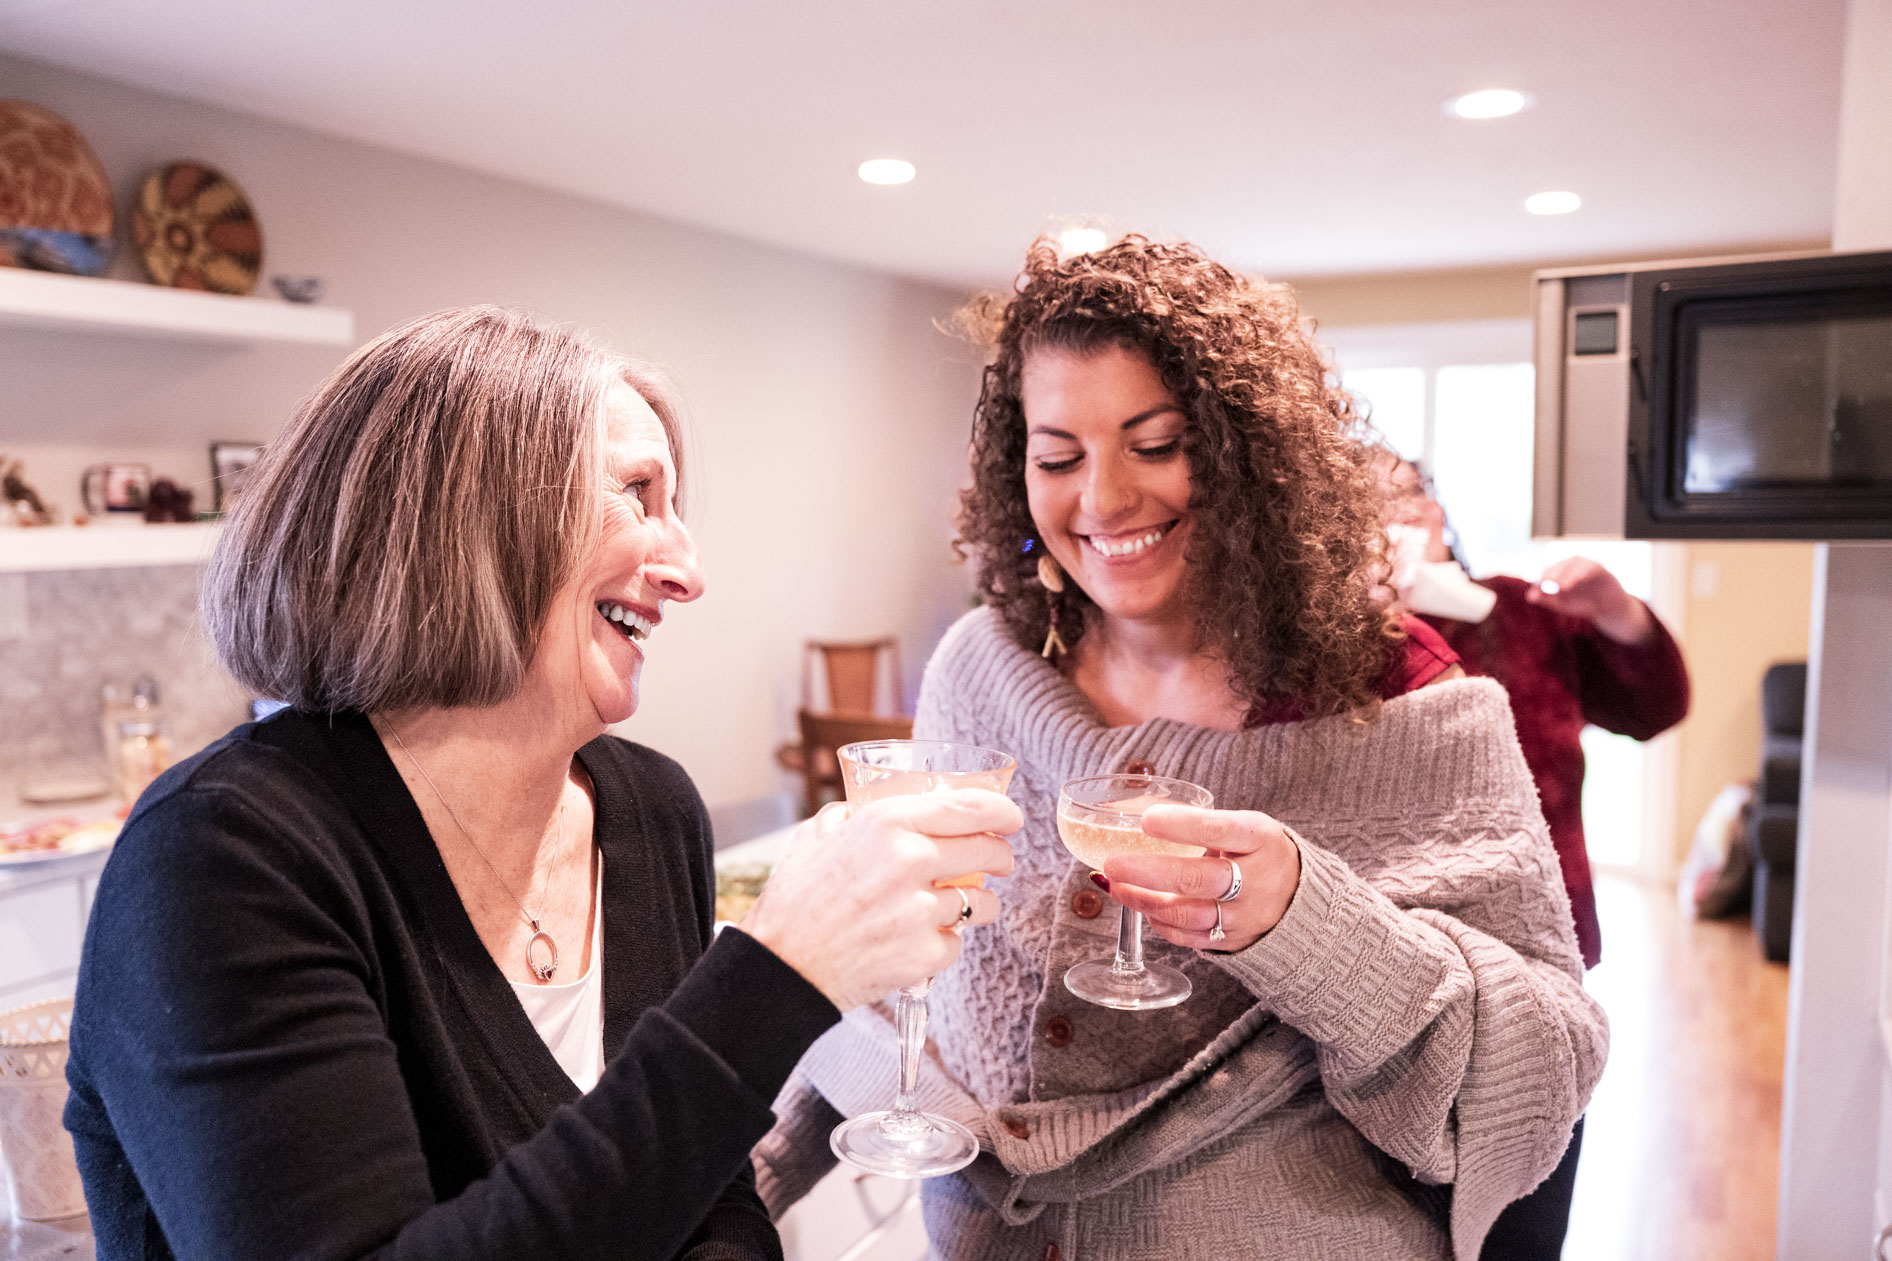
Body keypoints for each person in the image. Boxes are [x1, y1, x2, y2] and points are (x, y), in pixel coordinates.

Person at [63, 306, 1020, 1261]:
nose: (689, 570)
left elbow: (709, 1198)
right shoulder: (224, 858)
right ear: (466, 521)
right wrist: (776, 978)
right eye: (638, 495)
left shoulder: (649, 810)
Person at [753, 237, 1608, 1260]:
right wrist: (736, 1170)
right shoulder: (980, 668)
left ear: (1244, 454)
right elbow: (909, 985)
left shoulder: (1398, 694)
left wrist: (1305, 919)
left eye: (1154, 445)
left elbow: (1549, 1059)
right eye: (1057, 456)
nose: (1102, 501)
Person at [1377, 450, 1690, 1258]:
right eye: (1360, 504)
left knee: (1528, 1200)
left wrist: (1620, 612)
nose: (1391, 518)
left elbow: (1653, 706)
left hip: (1541, 952)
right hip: (1391, 968)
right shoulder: (1328, 636)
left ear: (1437, 513)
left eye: (1404, 496)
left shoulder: (1524, 612)